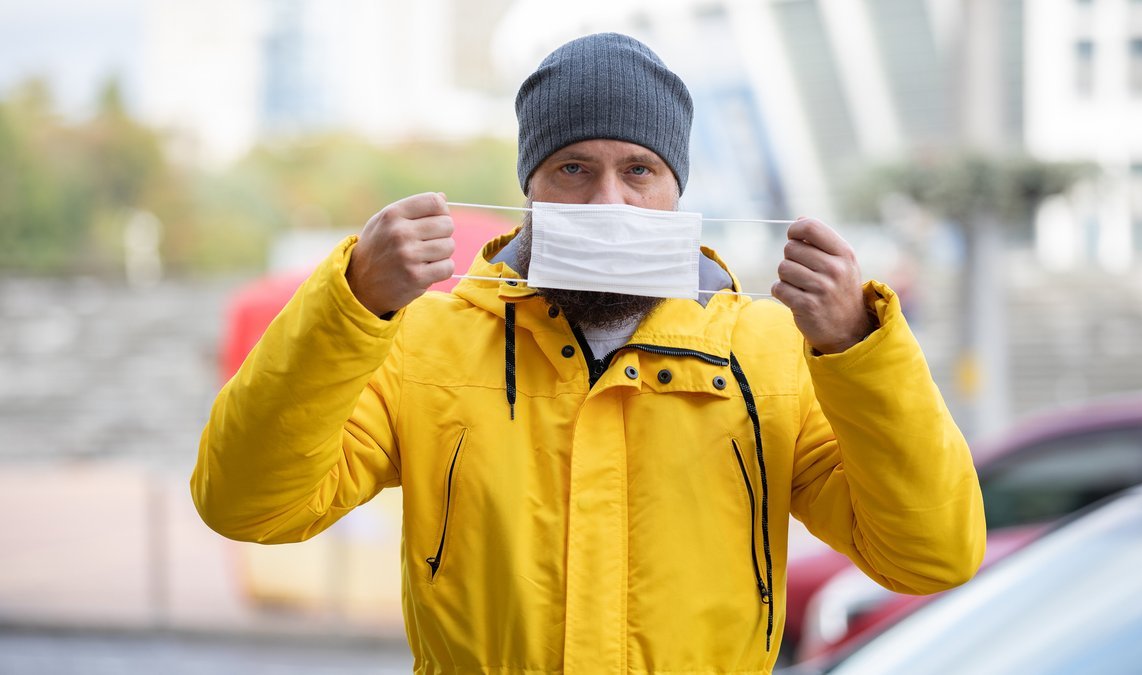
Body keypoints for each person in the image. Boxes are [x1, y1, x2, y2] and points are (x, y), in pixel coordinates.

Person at [192, 33, 985, 674]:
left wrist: (857, 348)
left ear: (678, 189)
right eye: (574, 169)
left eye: (639, 170)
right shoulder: (426, 345)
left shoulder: (774, 355)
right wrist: (353, 301)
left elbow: (933, 555)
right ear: (529, 188)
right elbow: (248, 502)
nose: (610, 202)